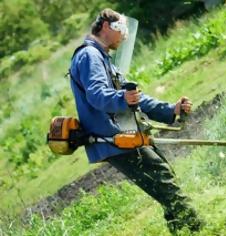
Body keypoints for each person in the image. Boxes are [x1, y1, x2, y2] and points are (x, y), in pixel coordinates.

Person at [69, 8, 204, 234]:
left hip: (124, 134)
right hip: (113, 138)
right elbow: (97, 95)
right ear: (105, 27)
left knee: (163, 179)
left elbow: (135, 100)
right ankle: (197, 228)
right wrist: (122, 97)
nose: (124, 36)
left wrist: (171, 110)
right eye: (121, 29)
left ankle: (183, 229)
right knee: (163, 181)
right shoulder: (89, 56)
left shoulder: (103, 58)